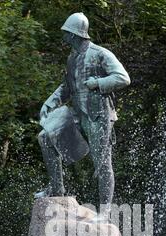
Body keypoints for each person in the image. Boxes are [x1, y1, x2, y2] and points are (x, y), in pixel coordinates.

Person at [36, 12, 130, 220]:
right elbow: (67, 86)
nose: (64, 37)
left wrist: (98, 83)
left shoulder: (100, 54)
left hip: (99, 116)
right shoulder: (72, 58)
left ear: (76, 34)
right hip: (79, 114)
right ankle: (57, 190)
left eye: (67, 33)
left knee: (102, 163)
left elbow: (123, 78)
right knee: (45, 137)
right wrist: (50, 102)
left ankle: (105, 212)